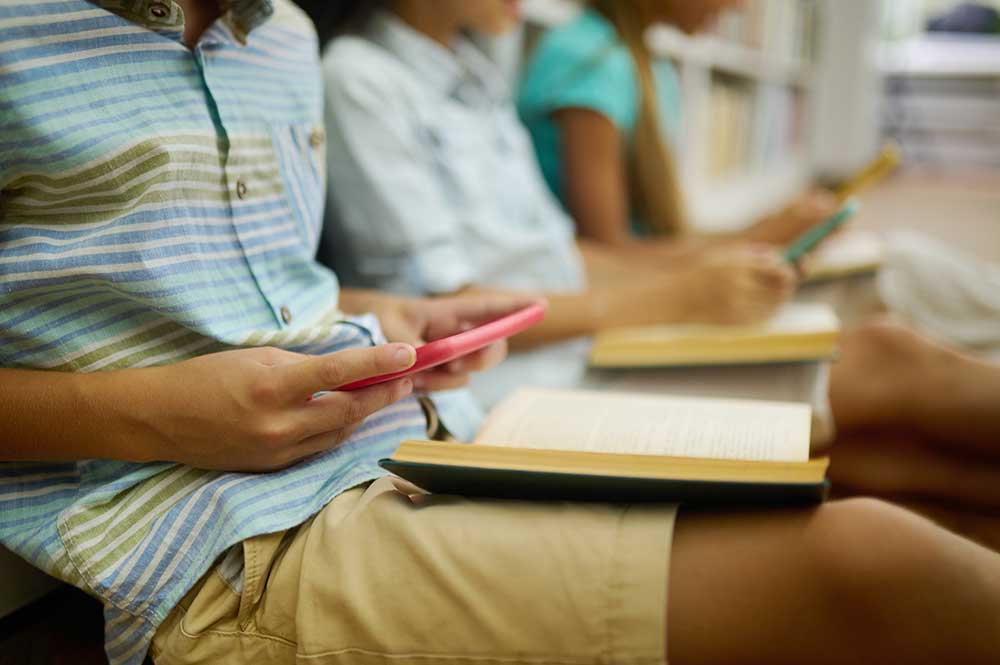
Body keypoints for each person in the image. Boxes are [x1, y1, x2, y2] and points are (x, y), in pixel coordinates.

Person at [6, 2, 1000, 665]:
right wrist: (157, 414)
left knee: (877, 439)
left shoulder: (285, 40)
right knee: (874, 551)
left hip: (434, 427)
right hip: (231, 535)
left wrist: (397, 314)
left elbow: (266, 288)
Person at [316, 0, 799, 408]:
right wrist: (680, 295)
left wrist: (710, 273)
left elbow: (562, 251)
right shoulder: (359, 80)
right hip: (508, 390)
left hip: (574, 352)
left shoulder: (478, 78)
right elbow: (439, 308)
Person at [518, 0, 837, 257]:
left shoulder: (650, 67)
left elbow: (653, 238)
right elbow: (607, 256)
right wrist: (756, 238)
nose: (740, 6)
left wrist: (766, 230)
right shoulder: (588, 61)